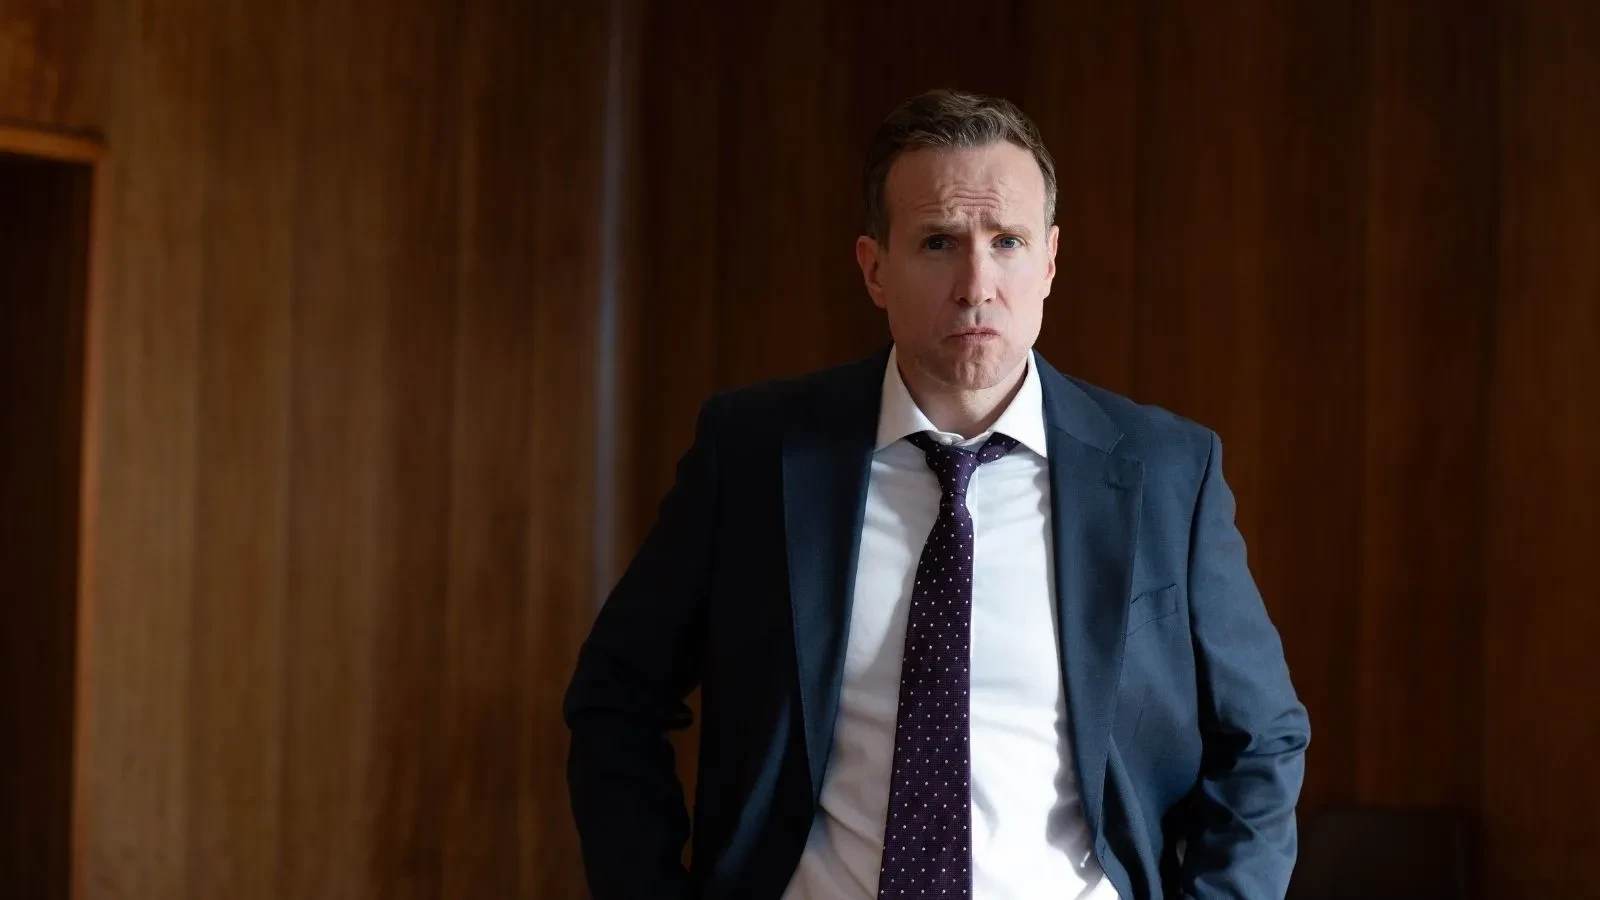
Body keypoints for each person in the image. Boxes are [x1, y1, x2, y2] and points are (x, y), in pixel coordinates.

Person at [564, 88, 1309, 900]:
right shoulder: (754, 454)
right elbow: (617, 698)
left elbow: (1262, 739)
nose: (976, 283)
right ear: (874, 268)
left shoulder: (1168, 472)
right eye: (938, 243)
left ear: (1051, 262)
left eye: (1009, 242)